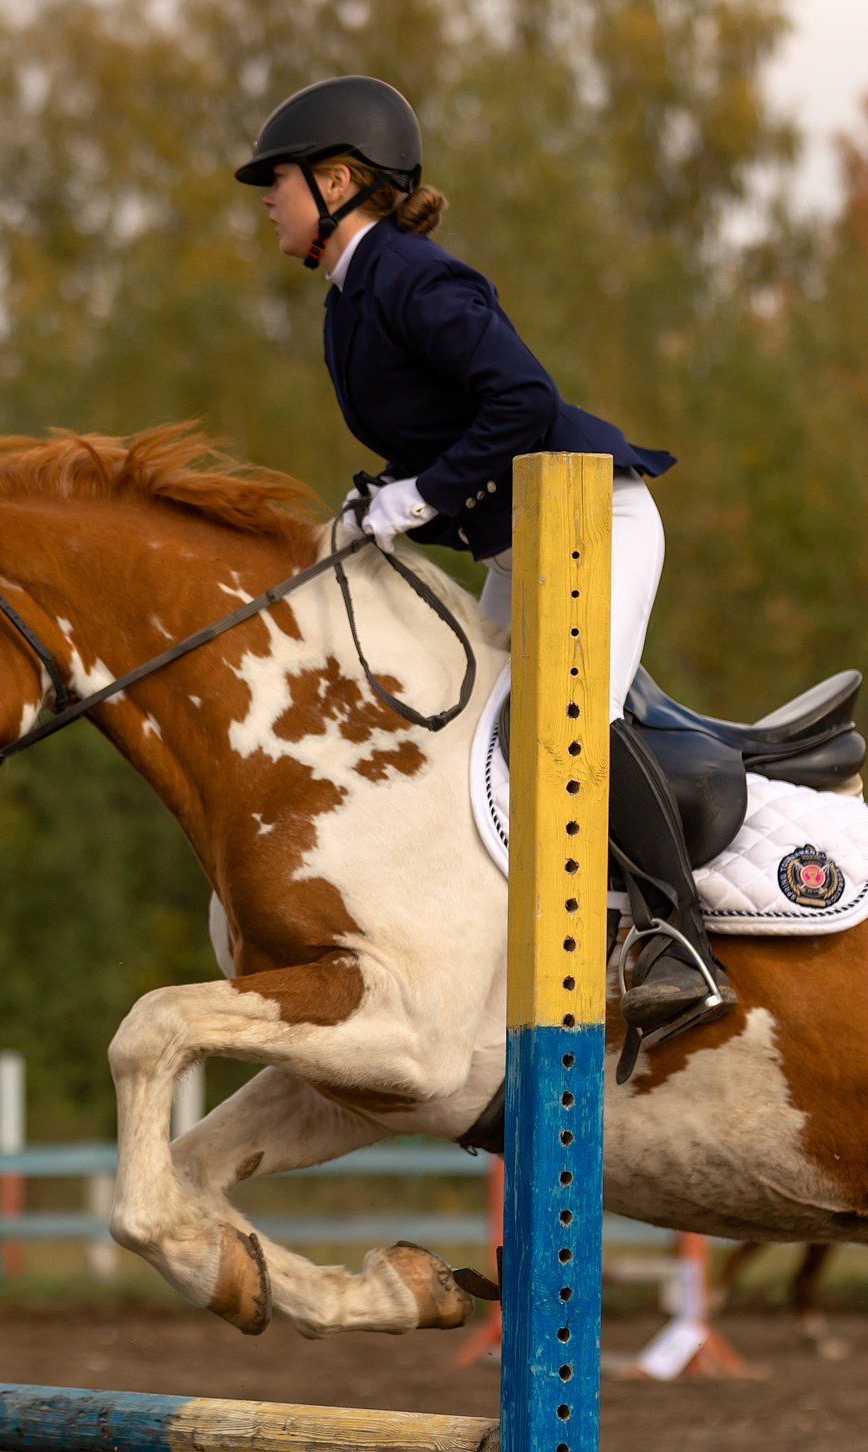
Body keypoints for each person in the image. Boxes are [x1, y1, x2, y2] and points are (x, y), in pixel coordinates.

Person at [235, 74, 732, 1048]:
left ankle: (682, 938)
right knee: (469, 732)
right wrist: (374, 496)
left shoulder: (416, 279)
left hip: (597, 519)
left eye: (278, 181)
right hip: (519, 540)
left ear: (337, 181)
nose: (267, 200)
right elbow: (443, 432)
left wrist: (414, 498)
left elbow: (521, 401)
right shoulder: (349, 302)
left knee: (562, 717)